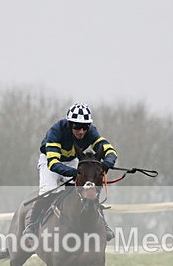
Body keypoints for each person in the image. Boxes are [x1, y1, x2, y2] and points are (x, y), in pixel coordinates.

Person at [23, 102, 117, 240]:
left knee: (88, 190)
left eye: (85, 127)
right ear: (69, 124)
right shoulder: (56, 131)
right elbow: (54, 164)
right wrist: (75, 174)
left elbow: (110, 150)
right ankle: (31, 225)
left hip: (73, 160)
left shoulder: (91, 132)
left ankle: (103, 223)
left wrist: (107, 163)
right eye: (77, 127)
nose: (81, 131)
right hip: (50, 160)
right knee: (48, 190)